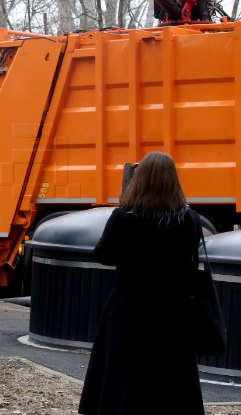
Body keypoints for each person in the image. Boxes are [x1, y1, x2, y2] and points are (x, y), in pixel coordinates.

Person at [78, 151, 205, 415]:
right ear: (174, 181)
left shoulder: (124, 218)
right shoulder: (190, 219)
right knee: (171, 376)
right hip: (173, 312)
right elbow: (190, 263)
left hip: (129, 309)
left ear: (139, 180)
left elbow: (104, 255)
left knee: (123, 375)